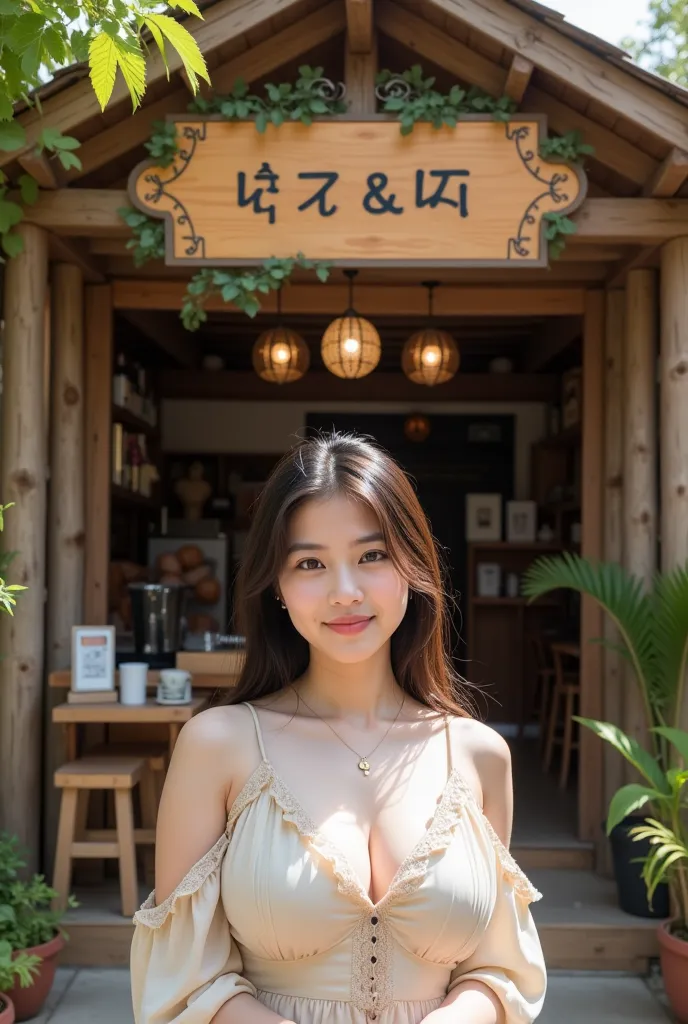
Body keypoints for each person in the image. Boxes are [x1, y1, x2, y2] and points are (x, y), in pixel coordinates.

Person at [131, 431, 547, 1024]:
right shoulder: (219, 745)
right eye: (310, 563)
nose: (344, 592)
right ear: (277, 586)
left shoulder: (479, 755)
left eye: (371, 555)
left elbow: (499, 969)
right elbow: (180, 980)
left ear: (412, 565)